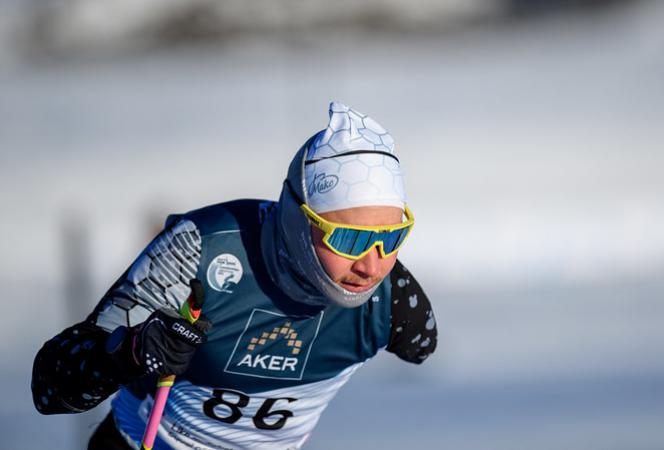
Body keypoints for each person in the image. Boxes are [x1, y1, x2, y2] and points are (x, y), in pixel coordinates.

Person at [31, 102, 438, 450]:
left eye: (392, 236)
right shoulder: (201, 250)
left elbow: (421, 345)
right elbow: (51, 387)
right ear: (298, 221)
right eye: (348, 239)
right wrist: (131, 351)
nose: (371, 265)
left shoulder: (390, 299)